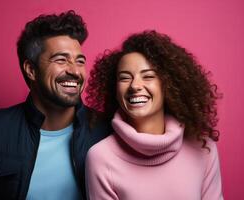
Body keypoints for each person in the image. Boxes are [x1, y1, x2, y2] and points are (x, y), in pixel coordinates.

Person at [0, 10, 110, 200]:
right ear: (31, 70)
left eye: (80, 61)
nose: (75, 70)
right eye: (61, 59)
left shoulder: (104, 131)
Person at [85, 30, 223, 200]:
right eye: (124, 78)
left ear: (168, 85)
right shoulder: (101, 157)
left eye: (148, 76)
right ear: (115, 90)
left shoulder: (203, 149)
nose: (135, 85)